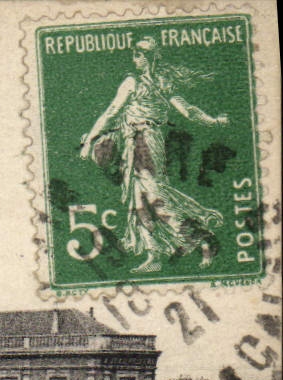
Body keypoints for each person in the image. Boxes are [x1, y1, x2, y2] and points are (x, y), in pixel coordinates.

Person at [80, 38, 229, 274]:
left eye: (138, 55)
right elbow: (187, 111)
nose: (134, 59)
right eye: (134, 55)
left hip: (144, 143)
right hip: (138, 142)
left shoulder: (139, 82)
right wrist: (214, 121)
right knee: (138, 201)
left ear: (148, 57)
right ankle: (154, 254)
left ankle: (202, 238)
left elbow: (111, 112)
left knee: (154, 197)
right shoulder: (159, 82)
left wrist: (89, 140)